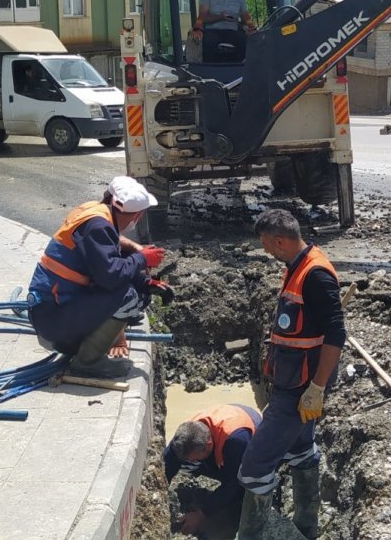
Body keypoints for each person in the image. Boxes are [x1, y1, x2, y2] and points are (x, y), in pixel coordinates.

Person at [237, 209, 345, 540]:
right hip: (293, 384)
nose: (266, 250)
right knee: (301, 451)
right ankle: (306, 530)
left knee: (254, 469)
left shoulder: (314, 275)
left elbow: (336, 334)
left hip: (299, 389)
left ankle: (256, 535)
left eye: (267, 244)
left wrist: (317, 388)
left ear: (280, 241)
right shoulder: (296, 266)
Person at [26, 176, 175, 378]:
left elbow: (106, 263)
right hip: (54, 319)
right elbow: (111, 277)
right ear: (136, 215)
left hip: (49, 311)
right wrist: (141, 259)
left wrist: (146, 283)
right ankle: (88, 361)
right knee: (129, 297)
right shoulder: (98, 227)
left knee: (135, 288)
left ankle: (87, 345)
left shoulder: (94, 212)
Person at [165, 404, 262, 536]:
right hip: (223, 423)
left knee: (242, 489)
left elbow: (234, 483)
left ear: (208, 445)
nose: (192, 462)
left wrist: (201, 513)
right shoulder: (184, 437)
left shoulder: (238, 441)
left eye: (194, 458)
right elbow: (168, 461)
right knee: (185, 464)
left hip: (250, 433)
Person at [191, 0, 256, 62]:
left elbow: (246, 16)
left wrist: (251, 27)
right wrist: (219, 17)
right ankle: (209, 69)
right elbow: (202, 17)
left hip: (232, 31)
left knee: (244, 40)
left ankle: (240, 69)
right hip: (212, 31)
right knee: (208, 41)